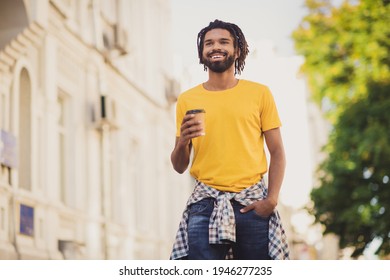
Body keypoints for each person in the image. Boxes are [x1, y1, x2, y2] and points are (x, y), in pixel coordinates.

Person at [170, 19, 289, 260]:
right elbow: (179, 166)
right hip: (205, 203)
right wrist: (182, 141)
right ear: (202, 53)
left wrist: (272, 200)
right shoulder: (187, 99)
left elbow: (276, 151)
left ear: (238, 50)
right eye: (209, 43)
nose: (216, 47)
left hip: (252, 203)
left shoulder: (259, 93)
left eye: (224, 42)